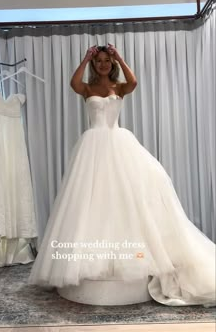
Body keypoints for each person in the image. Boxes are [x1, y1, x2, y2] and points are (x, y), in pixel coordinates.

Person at [28, 44, 215, 308]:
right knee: (92, 203)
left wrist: (120, 58)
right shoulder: (88, 89)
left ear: (112, 63)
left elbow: (134, 81)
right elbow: (74, 83)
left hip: (118, 144)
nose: (103, 64)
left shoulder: (119, 87)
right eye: (99, 61)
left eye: (107, 61)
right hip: (92, 147)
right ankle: (91, 262)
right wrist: (85, 59)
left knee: (124, 200)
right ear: (94, 65)